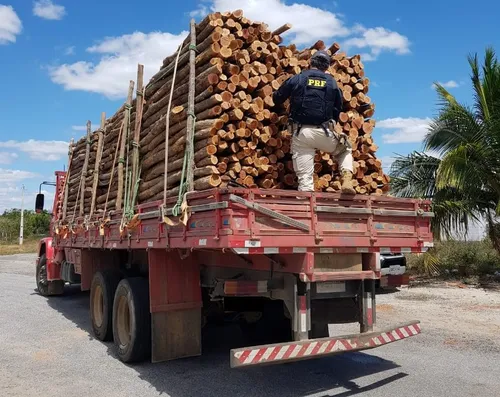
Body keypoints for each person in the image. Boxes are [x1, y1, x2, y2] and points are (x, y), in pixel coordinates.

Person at [273, 50, 356, 195]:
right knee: (345, 149)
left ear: (310, 62)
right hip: (324, 132)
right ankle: (347, 178)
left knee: (305, 179)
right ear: (327, 67)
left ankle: (306, 209)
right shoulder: (332, 83)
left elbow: (277, 98)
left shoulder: (298, 78)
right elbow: (338, 107)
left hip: (302, 133)